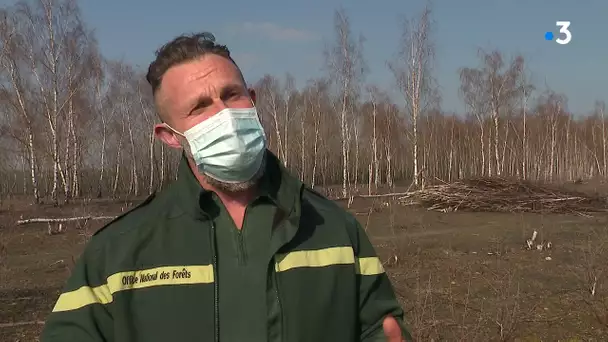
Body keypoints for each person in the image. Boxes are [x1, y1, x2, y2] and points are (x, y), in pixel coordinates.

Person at [40, 32, 411, 342]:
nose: (224, 114)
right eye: (200, 106)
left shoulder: (334, 230)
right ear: (170, 137)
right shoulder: (118, 252)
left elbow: (383, 329)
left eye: (232, 95)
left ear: (253, 100)